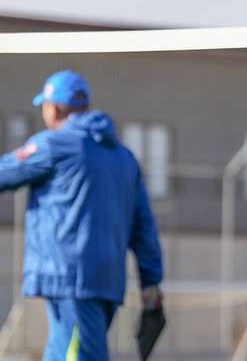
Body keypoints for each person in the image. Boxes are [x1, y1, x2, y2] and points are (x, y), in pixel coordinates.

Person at [0, 70, 164, 361]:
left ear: (54, 107)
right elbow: (144, 227)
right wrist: (150, 282)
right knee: (61, 353)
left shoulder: (55, 145)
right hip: (106, 283)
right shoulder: (124, 158)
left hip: (70, 279)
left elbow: (5, 173)